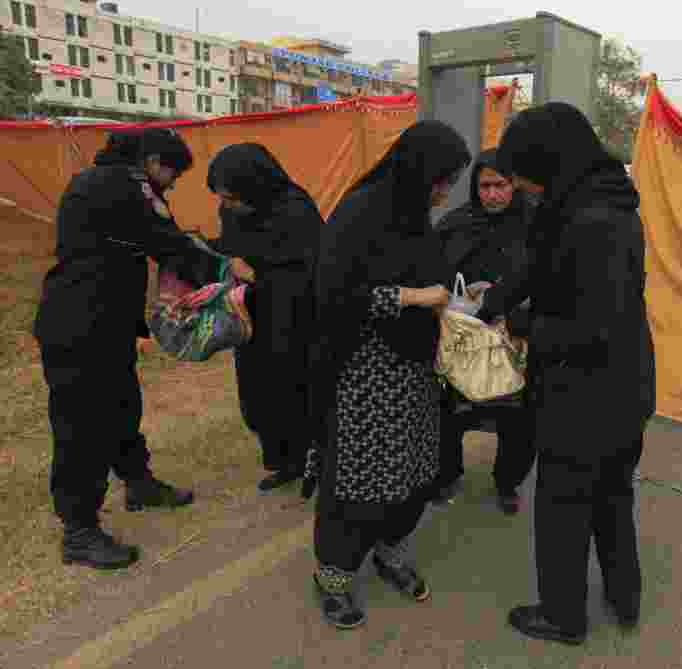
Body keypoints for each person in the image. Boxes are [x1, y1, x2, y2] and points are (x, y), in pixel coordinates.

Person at [474, 103, 656, 644]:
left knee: (563, 504)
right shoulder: (593, 199)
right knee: (613, 495)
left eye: (527, 178)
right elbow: (543, 268)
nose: (525, 190)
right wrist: (493, 304)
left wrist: (523, 328)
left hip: (588, 392)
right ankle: (625, 599)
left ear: (549, 162)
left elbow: (592, 324)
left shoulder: (592, 220)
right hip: (625, 383)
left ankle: (561, 615)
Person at [307, 121, 471, 629]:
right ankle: (333, 577)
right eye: (441, 179)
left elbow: (431, 272)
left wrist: (455, 301)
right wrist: (411, 297)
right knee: (358, 481)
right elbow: (334, 294)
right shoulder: (360, 212)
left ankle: (390, 551)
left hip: (415, 371)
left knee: (414, 473)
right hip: (364, 373)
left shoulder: (414, 215)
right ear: (417, 170)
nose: (444, 191)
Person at [33, 129, 214, 570]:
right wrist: (224, 270)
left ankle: (138, 482)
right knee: (82, 426)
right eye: (171, 174)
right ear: (151, 161)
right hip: (82, 328)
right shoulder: (128, 186)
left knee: (120, 406)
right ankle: (79, 530)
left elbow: (150, 240)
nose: (170, 185)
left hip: (96, 323)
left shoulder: (95, 180)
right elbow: (167, 242)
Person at [205, 143, 322, 492]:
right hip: (252, 316)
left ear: (255, 185)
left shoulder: (297, 211)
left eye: (231, 196)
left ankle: (313, 462)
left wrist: (255, 274)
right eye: (221, 197)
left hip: (295, 319)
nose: (225, 205)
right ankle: (284, 462)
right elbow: (231, 249)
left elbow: (311, 272)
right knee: (259, 393)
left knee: (295, 390)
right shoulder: (235, 211)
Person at [432, 148, 537, 513]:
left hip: (516, 339)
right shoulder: (456, 223)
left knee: (518, 417)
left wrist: (510, 306)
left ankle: (508, 482)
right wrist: (466, 292)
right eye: (484, 186)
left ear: (515, 185)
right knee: (450, 411)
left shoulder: (536, 225)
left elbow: (547, 278)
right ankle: (447, 474)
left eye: (501, 185)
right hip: (463, 338)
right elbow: (435, 272)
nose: (492, 194)